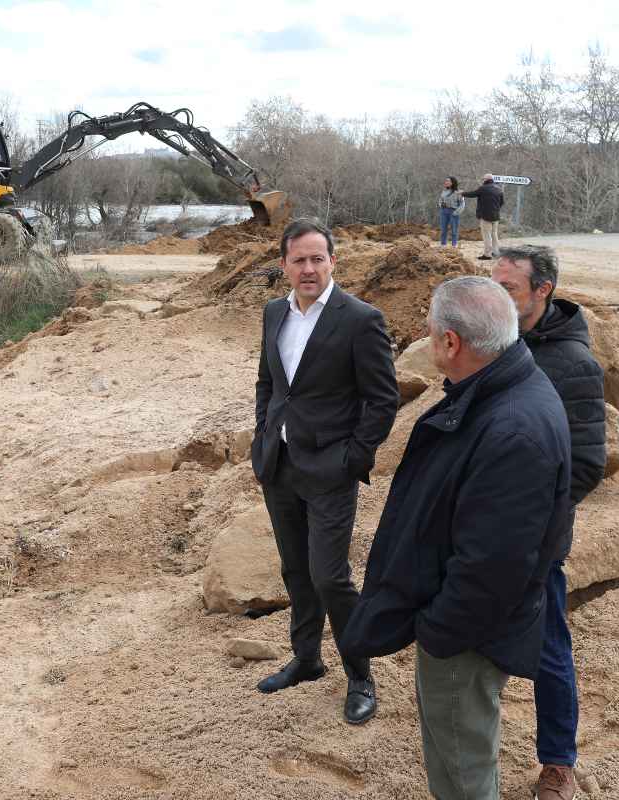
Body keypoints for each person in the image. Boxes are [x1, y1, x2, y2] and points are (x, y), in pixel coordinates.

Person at [341, 276, 572, 799]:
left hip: (467, 639)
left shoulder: (512, 428)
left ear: (451, 343)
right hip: (470, 626)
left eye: (430, 332)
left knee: (462, 774)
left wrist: (439, 633)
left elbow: (492, 566)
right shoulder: (502, 392)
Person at [251, 217, 399, 725]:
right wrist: (263, 435)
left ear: (333, 261)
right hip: (280, 466)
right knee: (296, 571)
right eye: (299, 260)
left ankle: (360, 674)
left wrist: (353, 458)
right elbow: (268, 383)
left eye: (318, 258)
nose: (309, 269)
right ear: (284, 266)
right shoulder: (274, 313)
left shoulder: (360, 319)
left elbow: (383, 400)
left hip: (330, 471)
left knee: (331, 578)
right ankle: (308, 659)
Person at [492, 245, 606, 800]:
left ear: (544, 290)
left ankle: (558, 762)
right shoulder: (492, 342)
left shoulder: (574, 365)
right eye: (494, 287)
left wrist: (528, 523)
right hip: (477, 530)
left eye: (508, 290)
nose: (497, 299)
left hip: (535, 539)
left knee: (549, 648)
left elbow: (585, 464)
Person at [462, 174, 505, 259]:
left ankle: (487, 254)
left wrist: (462, 193)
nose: (482, 180)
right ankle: (496, 252)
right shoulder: (499, 189)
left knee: (487, 235)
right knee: (494, 234)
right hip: (496, 216)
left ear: (486, 179)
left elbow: (472, 194)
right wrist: (496, 209)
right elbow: (502, 203)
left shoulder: (483, 188)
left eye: (483, 179)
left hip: (485, 216)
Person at [437, 176, 465, 247]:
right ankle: (443, 245)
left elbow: (462, 204)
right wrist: (440, 205)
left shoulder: (458, 192)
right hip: (444, 211)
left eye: (448, 181)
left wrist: (456, 212)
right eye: (445, 181)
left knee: (454, 230)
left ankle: (454, 245)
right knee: (443, 229)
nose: (446, 182)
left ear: (452, 183)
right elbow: (440, 200)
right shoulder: (444, 191)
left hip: (453, 211)